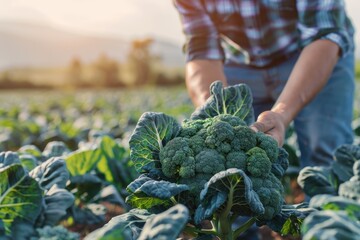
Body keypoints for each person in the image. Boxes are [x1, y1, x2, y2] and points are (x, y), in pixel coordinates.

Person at [173, 0, 355, 169]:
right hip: (239, 63)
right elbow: (201, 45)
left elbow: (323, 33)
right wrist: (214, 116)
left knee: (328, 156)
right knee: (239, 162)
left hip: (315, 52)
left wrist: (281, 115)